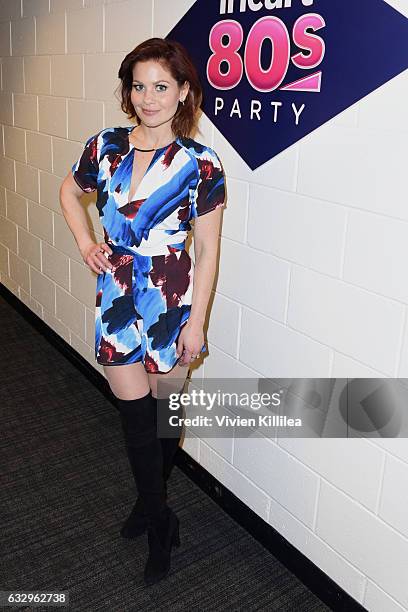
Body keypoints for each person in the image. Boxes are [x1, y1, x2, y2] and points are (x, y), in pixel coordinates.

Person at [59, 37, 226, 585]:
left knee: (164, 418)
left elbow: (207, 251)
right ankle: (160, 522)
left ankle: (148, 502)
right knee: (134, 420)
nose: (149, 98)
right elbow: (69, 190)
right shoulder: (104, 146)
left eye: (161, 86)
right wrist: (87, 243)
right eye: (139, 85)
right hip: (118, 294)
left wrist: (197, 321)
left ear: (183, 93)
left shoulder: (202, 163)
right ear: (127, 92)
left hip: (173, 299)